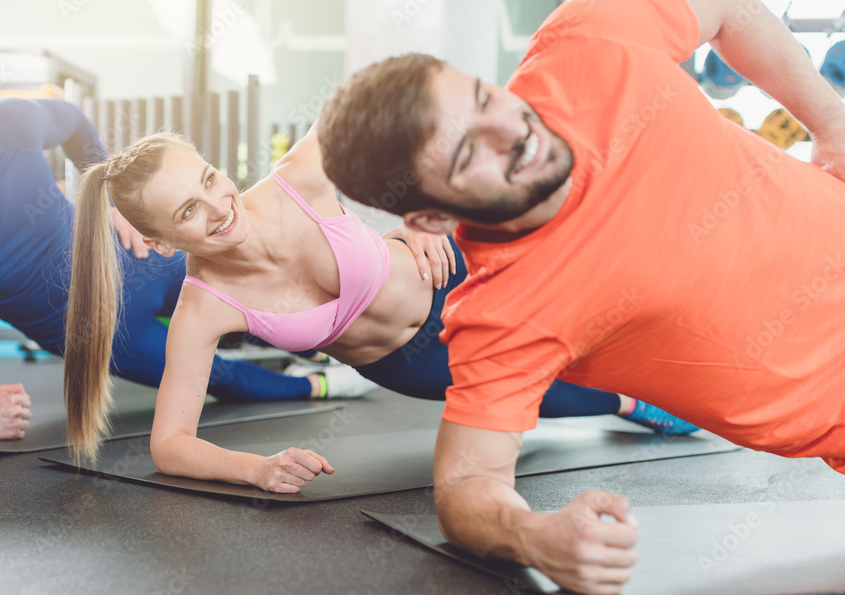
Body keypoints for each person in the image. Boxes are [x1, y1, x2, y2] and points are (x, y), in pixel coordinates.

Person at [316, 0, 845, 592]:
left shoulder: (585, 41)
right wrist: (533, 536)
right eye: (471, 153)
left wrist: (831, 123)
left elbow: (727, 11)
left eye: (486, 100)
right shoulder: (504, 313)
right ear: (433, 216)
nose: (513, 132)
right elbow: (467, 487)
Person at [63, 126, 698, 482]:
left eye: (208, 179)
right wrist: (255, 469)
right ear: (159, 241)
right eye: (188, 213)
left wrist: (419, 210)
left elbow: (396, 112)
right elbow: (169, 443)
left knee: (603, 310)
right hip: (413, 365)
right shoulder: (205, 309)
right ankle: (632, 406)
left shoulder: (298, 177)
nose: (218, 206)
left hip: (455, 273)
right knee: (539, 399)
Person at [0, 91, 364, 441]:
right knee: (213, 377)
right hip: (97, 333)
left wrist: (111, 200)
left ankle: (347, 348)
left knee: (256, 310)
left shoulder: (3, 122)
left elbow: (73, 122)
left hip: (135, 260)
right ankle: (320, 384)